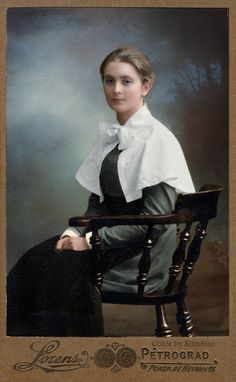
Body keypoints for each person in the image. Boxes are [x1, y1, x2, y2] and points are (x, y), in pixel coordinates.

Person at [7, 46, 195, 337]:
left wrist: (92, 241)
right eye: (109, 81)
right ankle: (33, 362)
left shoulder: (159, 140)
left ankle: (76, 360)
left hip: (143, 256)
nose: (116, 90)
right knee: (31, 264)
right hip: (112, 243)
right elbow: (98, 205)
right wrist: (74, 233)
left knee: (59, 273)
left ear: (146, 86)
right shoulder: (110, 139)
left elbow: (155, 225)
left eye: (126, 81)